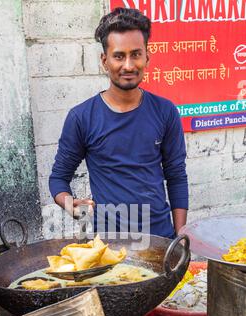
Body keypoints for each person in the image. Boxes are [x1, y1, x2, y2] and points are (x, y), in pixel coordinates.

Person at [49, 7, 188, 238]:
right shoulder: (82, 117)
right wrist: (69, 202)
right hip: (109, 246)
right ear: (105, 60)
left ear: (147, 57)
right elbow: (58, 178)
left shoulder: (165, 111)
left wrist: (180, 235)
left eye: (136, 54)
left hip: (161, 240)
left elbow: (176, 176)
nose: (128, 65)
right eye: (119, 56)